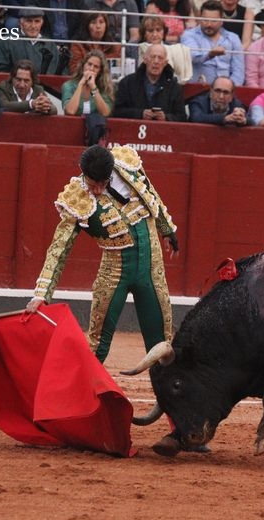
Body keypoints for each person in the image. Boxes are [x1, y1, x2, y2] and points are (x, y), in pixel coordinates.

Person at [25, 144, 179, 364]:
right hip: (114, 273)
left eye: (103, 184)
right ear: (83, 172)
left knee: (162, 345)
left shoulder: (127, 165)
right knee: (97, 344)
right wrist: (41, 294)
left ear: (111, 173)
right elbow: (59, 249)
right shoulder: (76, 198)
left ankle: (168, 398)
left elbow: (150, 192)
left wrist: (167, 229)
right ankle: (80, 396)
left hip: (151, 269)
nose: (97, 190)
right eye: (92, 184)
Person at [113, 43, 187, 121]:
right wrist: (140, 114)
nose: (156, 61)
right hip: (133, 130)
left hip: (163, 131)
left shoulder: (175, 87)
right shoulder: (127, 83)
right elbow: (116, 111)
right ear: (145, 59)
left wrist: (166, 117)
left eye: (160, 58)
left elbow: (182, 117)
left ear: (165, 63)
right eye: (152, 57)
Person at [180, 0, 245, 85]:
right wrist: (210, 54)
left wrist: (230, 89)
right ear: (199, 18)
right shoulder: (189, 35)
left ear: (222, 21)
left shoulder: (233, 38)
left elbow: (238, 71)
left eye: (213, 21)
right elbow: (193, 57)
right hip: (198, 90)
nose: (209, 24)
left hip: (227, 92)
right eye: (205, 20)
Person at [0, 8, 60, 75]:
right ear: (20, 23)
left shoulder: (50, 45)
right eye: (29, 21)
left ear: (42, 23)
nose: (33, 26)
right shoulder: (6, 41)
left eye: (37, 21)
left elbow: (58, 72)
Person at [137, 16, 193, 84]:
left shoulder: (173, 48)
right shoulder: (134, 47)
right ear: (144, 33)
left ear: (164, 32)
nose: (155, 34)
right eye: (150, 31)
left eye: (158, 30)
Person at [62, 49, 114, 116]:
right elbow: (70, 111)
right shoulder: (69, 86)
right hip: (72, 125)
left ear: (100, 71)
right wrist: (80, 85)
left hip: (96, 125)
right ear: (83, 65)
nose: (91, 68)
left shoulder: (104, 87)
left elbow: (105, 113)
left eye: (96, 67)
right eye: (89, 64)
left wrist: (93, 87)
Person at [68, 12, 121, 76]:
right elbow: (74, 70)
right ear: (87, 26)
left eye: (101, 22)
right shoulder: (78, 45)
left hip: (107, 83)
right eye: (93, 22)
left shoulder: (116, 46)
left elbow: (117, 73)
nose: (98, 26)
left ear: (106, 25)